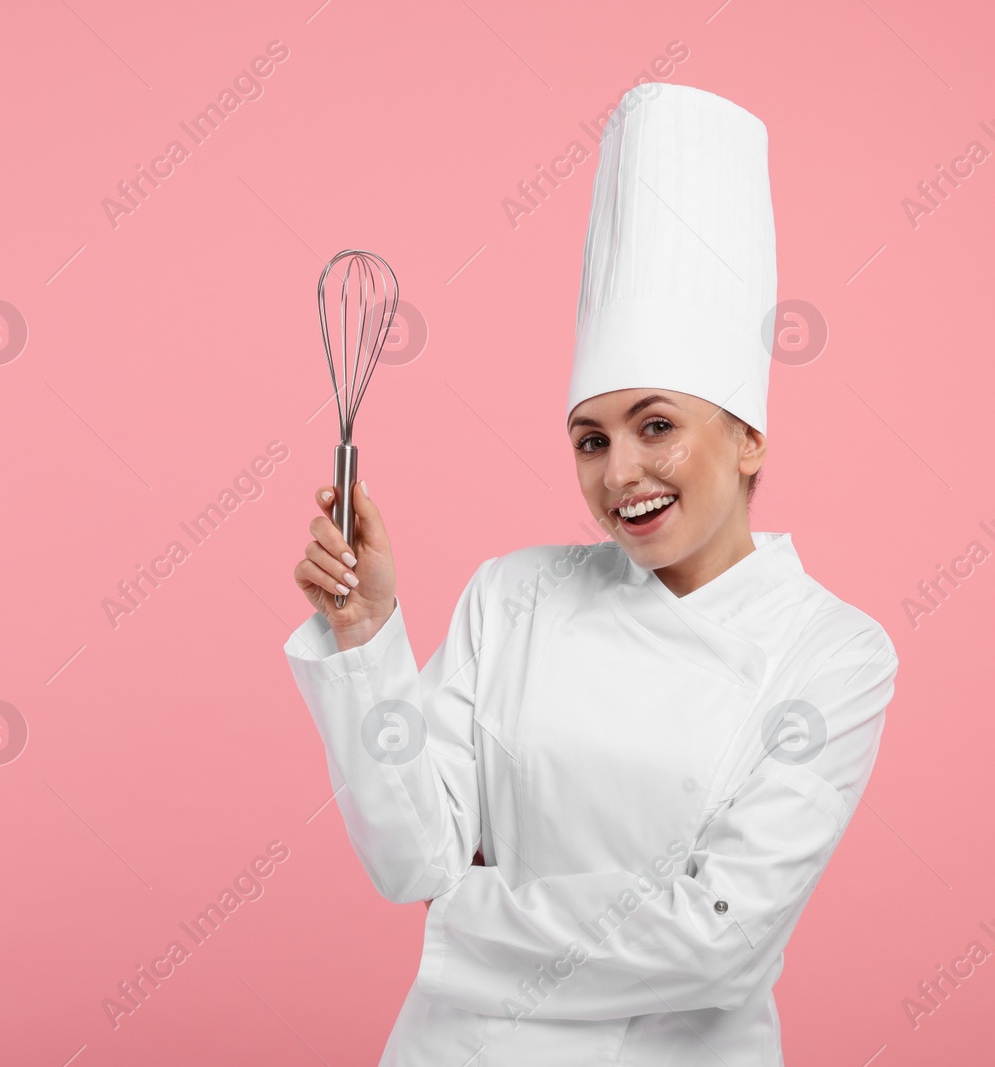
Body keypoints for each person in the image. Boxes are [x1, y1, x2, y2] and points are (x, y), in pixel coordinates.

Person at [284, 82, 898, 1066]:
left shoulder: (833, 651)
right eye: (589, 437)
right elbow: (412, 858)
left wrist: (471, 912)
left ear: (746, 437)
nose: (618, 475)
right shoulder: (510, 594)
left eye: (655, 424)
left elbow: (718, 940)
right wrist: (366, 637)